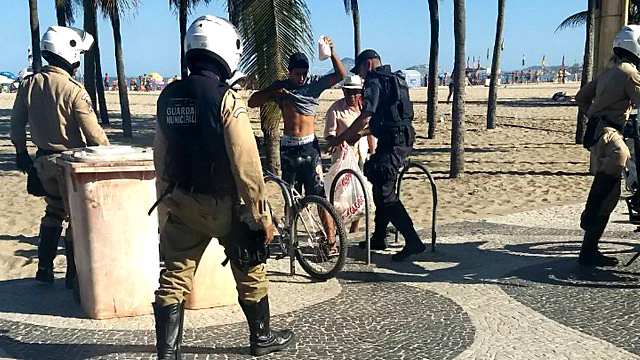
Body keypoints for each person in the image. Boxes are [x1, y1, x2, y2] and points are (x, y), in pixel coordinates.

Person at [152, 16, 294, 358]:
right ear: (225, 52)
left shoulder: (168, 96)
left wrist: (165, 204)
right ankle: (261, 338)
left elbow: (161, 156)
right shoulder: (226, 100)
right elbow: (247, 165)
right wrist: (262, 216)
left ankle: (168, 353)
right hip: (227, 207)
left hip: (182, 202)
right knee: (251, 270)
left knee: (174, 277)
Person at [10, 26, 110, 287]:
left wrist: (21, 153)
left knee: (53, 211)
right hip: (69, 163)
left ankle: (44, 267)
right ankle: (73, 275)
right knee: (76, 217)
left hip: (42, 162)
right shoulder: (73, 89)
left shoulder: (28, 84)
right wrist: (107, 155)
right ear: (68, 53)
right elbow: (94, 135)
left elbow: (16, 124)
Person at [248, 37, 347, 254]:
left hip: (309, 147)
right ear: (290, 72)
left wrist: (332, 52)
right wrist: (273, 93)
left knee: (319, 195)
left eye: (303, 73)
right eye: (297, 73)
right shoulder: (281, 86)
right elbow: (252, 102)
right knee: (290, 195)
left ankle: (331, 241)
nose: (301, 78)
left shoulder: (313, 84)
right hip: (289, 148)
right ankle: (291, 241)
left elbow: (341, 75)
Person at [328, 49, 426, 262]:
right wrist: (358, 135)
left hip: (393, 143)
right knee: (379, 183)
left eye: (361, 71)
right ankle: (380, 236)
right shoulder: (395, 79)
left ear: (369, 65)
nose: (361, 77)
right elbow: (387, 121)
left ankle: (413, 240)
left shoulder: (374, 81)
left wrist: (341, 138)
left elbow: (366, 117)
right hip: (401, 138)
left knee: (384, 193)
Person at [575, 25, 640, 267]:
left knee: (611, 196)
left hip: (596, 132)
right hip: (608, 133)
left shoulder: (607, 72)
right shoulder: (629, 73)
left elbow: (581, 98)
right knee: (620, 153)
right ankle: (589, 212)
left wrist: (593, 114)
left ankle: (588, 251)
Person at [324, 75, 375, 233]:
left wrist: (372, 150)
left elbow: (370, 130)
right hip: (343, 157)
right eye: (349, 92)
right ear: (344, 91)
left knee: (360, 191)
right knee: (341, 196)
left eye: (355, 92)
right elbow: (329, 134)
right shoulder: (335, 109)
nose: (352, 96)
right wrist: (337, 141)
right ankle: (338, 226)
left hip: (361, 155)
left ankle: (354, 227)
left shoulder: (364, 108)